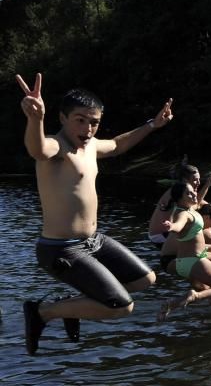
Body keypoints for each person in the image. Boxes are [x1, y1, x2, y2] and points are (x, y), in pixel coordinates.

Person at [16, 72, 171, 355]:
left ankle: (71, 306)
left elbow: (118, 144)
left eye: (94, 122)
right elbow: (37, 149)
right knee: (122, 307)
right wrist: (35, 118)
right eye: (80, 120)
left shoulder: (91, 146)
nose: (88, 128)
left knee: (145, 279)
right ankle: (42, 311)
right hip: (62, 249)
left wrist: (152, 124)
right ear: (63, 118)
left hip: (94, 242)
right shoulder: (57, 146)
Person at [157, 183, 211, 320]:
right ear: (180, 199)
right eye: (189, 193)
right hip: (193, 260)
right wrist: (172, 226)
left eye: (193, 191)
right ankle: (195, 295)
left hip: (186, 261)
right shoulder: (183, 214)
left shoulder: (191, 208)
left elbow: (200, 199)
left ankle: (171, 304)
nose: (194, 194)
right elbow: (179, 224)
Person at [147, 166, 211, 243]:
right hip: (161, 235)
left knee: (206, 229)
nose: (199, 183)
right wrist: (208, 184)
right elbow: (196, 203)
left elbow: (203, 203)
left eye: (199, 179)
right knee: (207, 234)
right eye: (195, 180)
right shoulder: (176, 191)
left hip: (167, 232)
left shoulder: (184, 192)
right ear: (184, 180)